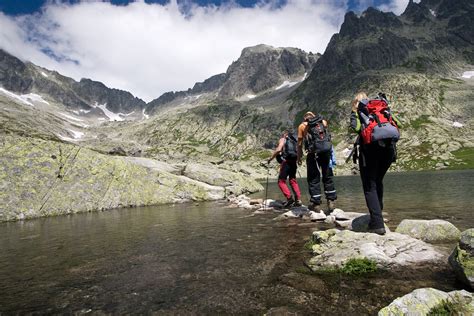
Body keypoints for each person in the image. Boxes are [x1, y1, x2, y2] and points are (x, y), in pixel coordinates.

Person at [350, 92, 400, 235]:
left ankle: (377, 224)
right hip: (389, 150)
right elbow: (398, 124)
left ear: (356, 102)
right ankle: (379, 212)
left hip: (370, 150)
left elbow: (356, 128)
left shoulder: (360, 111)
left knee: (369, 186)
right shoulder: (382, 109)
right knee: (378, 181)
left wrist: (356, 114)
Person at [297, 112, 337, 213]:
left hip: (313, 154)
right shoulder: (322, 122)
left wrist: (299, 157)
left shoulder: (302, 126)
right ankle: (331, 201)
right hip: (326, 152)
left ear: (305, 118)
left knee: (313, 178)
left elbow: (299, 143)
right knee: (327, 175)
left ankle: (316, 203)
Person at [267, 129, 302, 208]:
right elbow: (299, 151)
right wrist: (299, 160)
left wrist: (271, 158)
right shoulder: (294, 141)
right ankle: (298, 199)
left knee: (281, 181)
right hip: (293, 162)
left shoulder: (283, 139)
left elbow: (279, 149)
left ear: (284, 134)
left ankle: (289, 199)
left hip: (286, 162)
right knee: (293, 180)